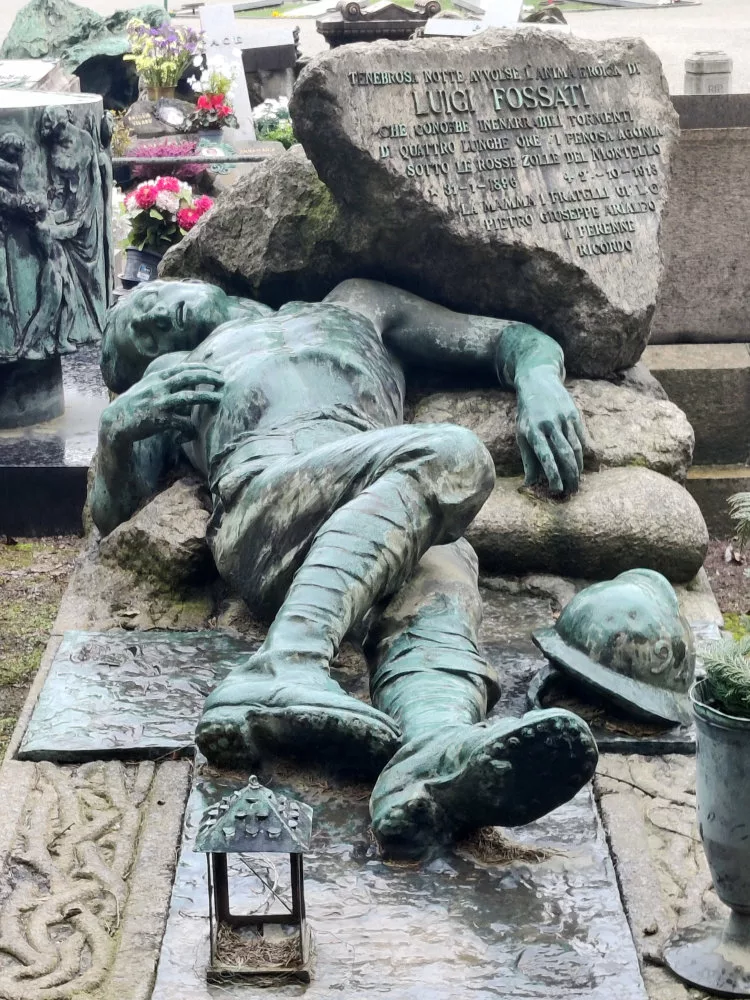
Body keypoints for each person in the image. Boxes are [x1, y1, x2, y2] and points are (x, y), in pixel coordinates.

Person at [92, 277, 598, 859]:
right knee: (453, 457)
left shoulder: (360, 303)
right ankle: (288, 660)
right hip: (271, 504)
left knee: (441, 580)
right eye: (144, 335)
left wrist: (538, 379)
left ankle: (433, 756)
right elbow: (111, 516)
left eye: (145, 303)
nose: (159, 322)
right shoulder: (176, 373)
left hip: (392, 495)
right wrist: (117, 431)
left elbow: (508, 340)